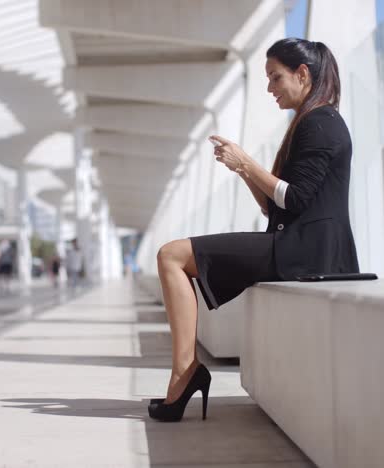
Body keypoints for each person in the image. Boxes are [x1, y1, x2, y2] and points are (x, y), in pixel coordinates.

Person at [148, 38, 359, 423]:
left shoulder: (321, 123)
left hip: (302, 252)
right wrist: (242, 171)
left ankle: (185, 372)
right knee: (172, 256)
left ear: (302, 74)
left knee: (171, 255)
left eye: (275, 77)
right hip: (296, 246)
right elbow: (273, 204)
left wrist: (246, 163)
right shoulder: (313, 121)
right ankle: (185, 371)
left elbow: (293, 200)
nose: (269, 88)